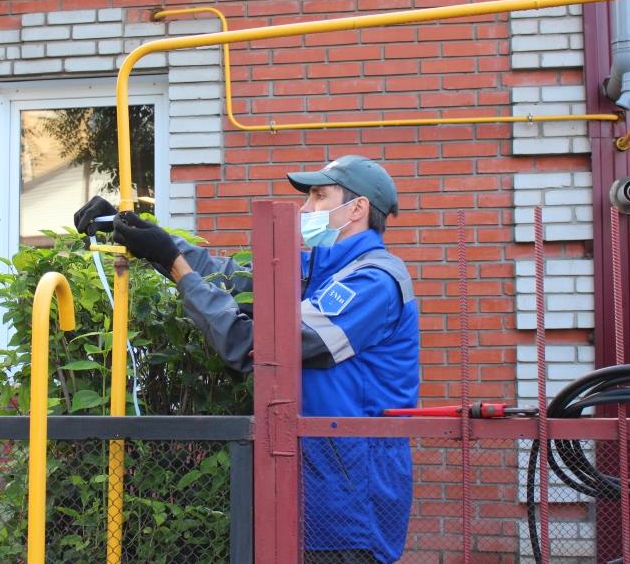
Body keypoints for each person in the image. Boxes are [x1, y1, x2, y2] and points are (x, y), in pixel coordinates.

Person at [73, 155, 420, 564]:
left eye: (318, 196)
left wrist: (175, 265)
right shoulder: (319, 269)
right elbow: (226, 276)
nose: (306, 208)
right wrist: (139, 234)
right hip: (311, 487)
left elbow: (256, 345)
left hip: (351, 504)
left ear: (358, 208)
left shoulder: (373, 282)